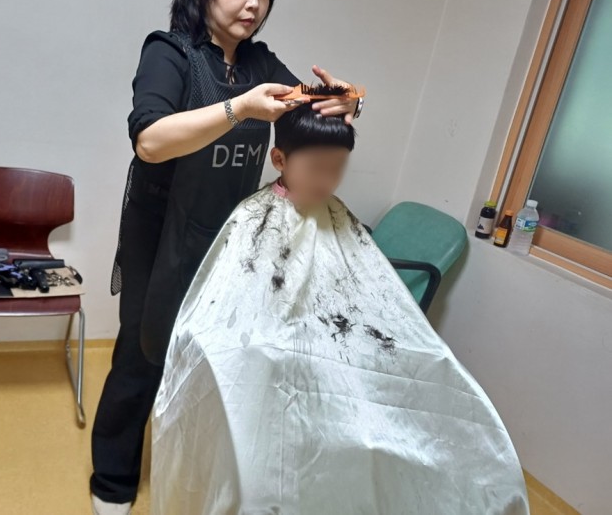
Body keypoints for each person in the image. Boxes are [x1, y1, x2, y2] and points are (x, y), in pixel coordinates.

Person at [90, 0, 362, 515]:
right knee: (142, 354)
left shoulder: (260, 61)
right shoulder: (170, 53)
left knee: (211, 357)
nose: (253, 3)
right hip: (161, 236)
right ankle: (111, 483)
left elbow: (310, 106)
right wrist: (238, 108)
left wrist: (348, 101)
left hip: (229, 238)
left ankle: (191, 471)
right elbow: (150, 141)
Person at [149, 104, 530, 514]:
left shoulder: (337, 215)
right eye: (317, 167)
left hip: (340, 338)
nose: (328, 180)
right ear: (279, 159)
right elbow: (232, 303)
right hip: (276, 343)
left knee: (436, 362)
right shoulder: (255, 217)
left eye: (338, 168)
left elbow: (371, 291)